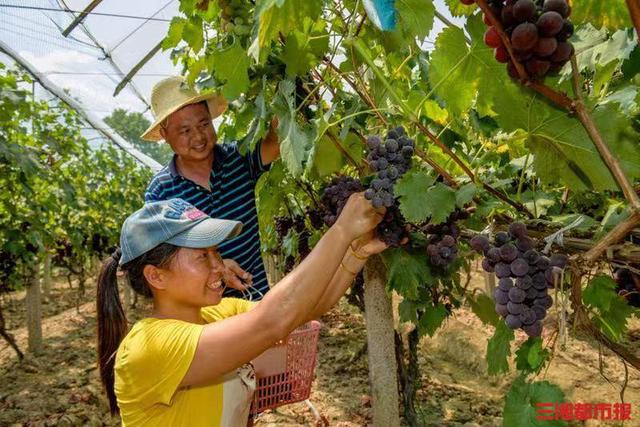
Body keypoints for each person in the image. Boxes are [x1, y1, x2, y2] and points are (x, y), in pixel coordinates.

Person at [96, 195, 386, 426]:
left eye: (216, 252)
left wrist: (355, 253)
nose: (219, 266)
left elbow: (305, 307)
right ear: (156, 276)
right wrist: (341, 230)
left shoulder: (217, 314)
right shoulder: (149, 348)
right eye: (202, 257)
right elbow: (274, 320)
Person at [141, 76, 279, 300]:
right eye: (185, 131)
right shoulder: (160, 192)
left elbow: (276, 142)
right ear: (165, 136)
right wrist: (218, 267)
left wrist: (284, 88)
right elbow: (162, 258)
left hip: (257, 301)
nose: (198, 137)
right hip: (204, 317)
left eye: (204, 124)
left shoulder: (239, 158)